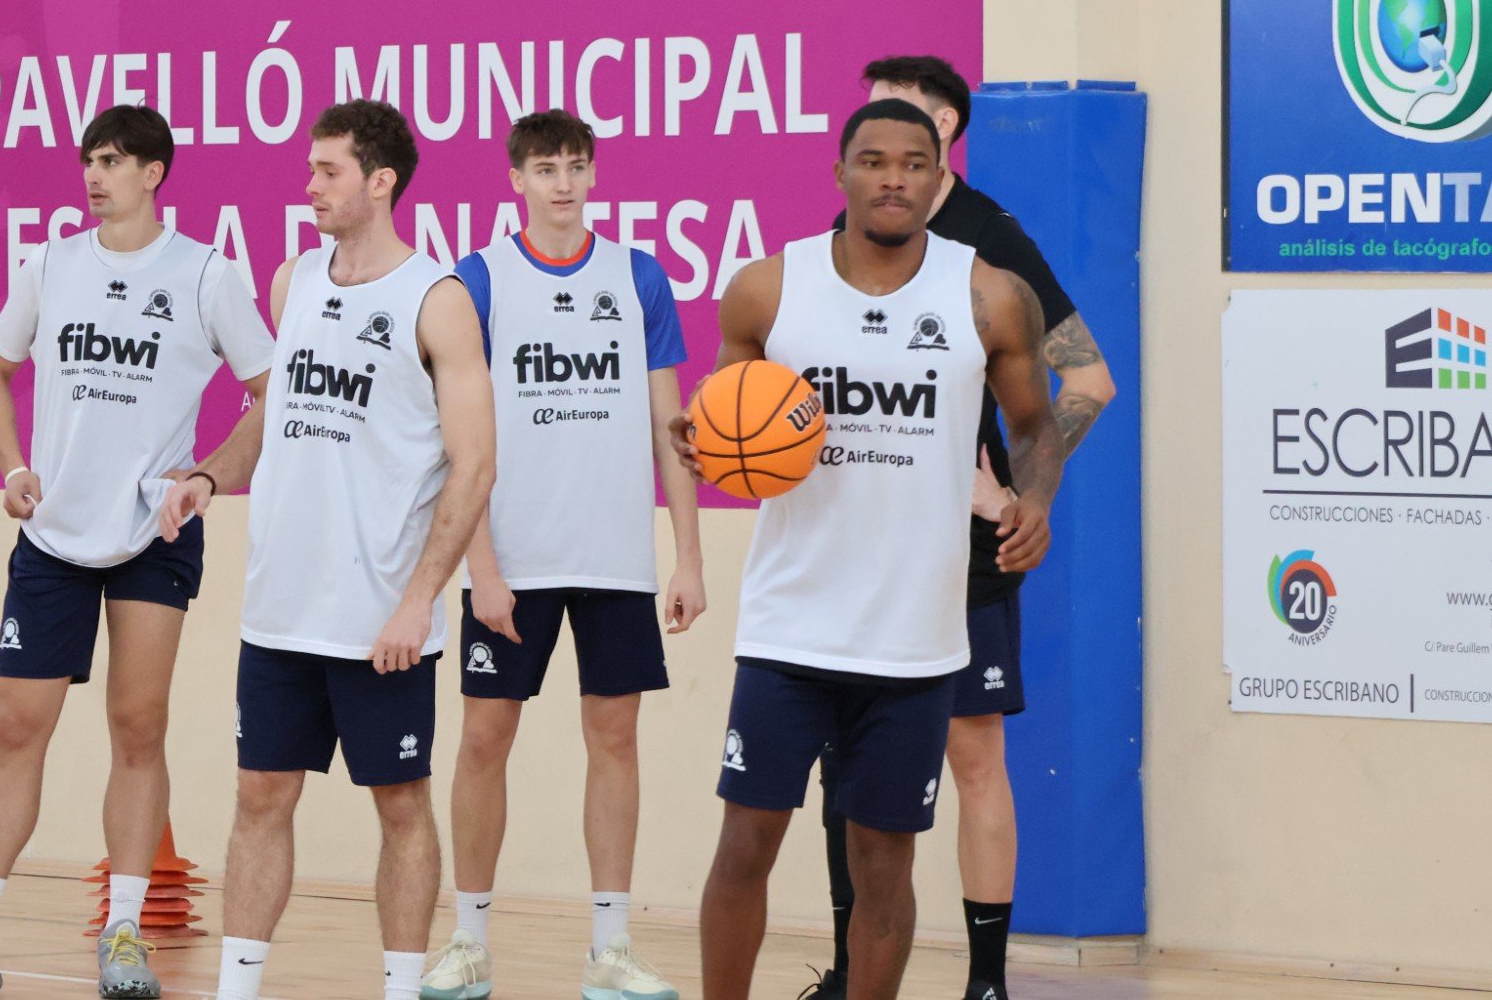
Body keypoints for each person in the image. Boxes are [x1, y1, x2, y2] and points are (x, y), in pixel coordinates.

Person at [683, 99, 1066, 999]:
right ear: (840, 172)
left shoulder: (988, 294)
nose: (892, 176)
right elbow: (726, 421)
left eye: (911, 162)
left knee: (882, 864)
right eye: (872, 159)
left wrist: (1032, 499)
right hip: (790, 628)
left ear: (939, 178)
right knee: (746, 844)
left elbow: (1037, 424)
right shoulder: (768, 289)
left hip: (915, 636)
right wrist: (703, 439)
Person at [0, 104, 276, 1000]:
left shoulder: (206, 275)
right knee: (15, 727)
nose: (94, 175)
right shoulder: (53, 264)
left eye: (112, 161)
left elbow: (273, 392)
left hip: (154, 537)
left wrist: (210, 476)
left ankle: (124, 935)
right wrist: (13, 465)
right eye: (88, 161)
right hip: (53, 538)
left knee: (137, 726)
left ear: (154, 173)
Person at [154, 99, 496, 1000]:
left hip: (383, 612)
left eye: (329, 171)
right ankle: (237, 988)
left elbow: (473, 468)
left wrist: (422, 596)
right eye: (310, 169)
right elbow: (268, 413)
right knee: (260, 797)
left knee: (401, 807)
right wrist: (210, 477)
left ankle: (398, 987)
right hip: (280, 607)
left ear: (381, 182)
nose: (309, 186)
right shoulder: (292, 279)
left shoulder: (439, 299)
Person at [803, 56, 1118, 1000]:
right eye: (866, 131)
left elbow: (1089, 380)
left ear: (942, 129)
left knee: (975, 756)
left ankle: (986, 980)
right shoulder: (845, 236)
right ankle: (854, 974)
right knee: (843, 763)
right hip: (850, 542)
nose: (877, 148)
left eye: (897, 126)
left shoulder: (994, 246)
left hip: (959, 553)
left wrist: (1024, 494)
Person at [418, 109, 703, 1000]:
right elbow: (457, 443)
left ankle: (611, 948)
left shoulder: (640, 276)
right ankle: (467, 940)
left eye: (578, 166)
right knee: (484, 739)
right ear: (517, 179)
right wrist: (484, 566)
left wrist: (686, 554)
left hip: (615, 557)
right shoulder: (478, 282)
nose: (565, 183)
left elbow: (672, 430)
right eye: (547, 168)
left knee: (614, 738)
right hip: (515, 556)